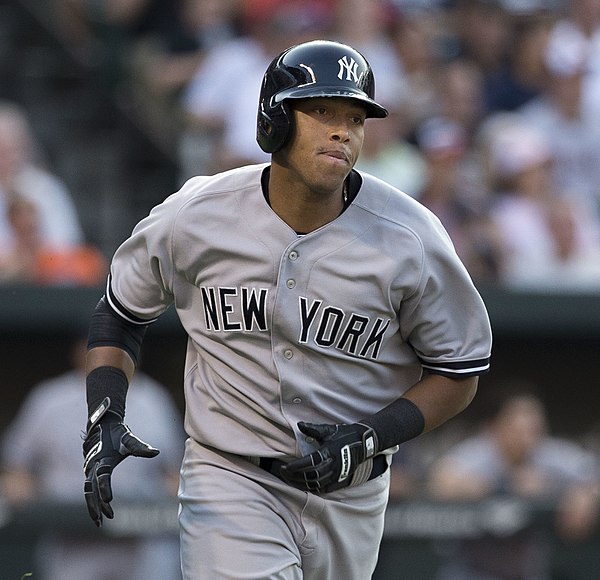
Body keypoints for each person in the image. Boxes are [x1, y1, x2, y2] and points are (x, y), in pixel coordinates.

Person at [81, 39, 492, 580]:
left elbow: (458, 371)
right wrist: (105, 411)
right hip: (231, 476)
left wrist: (375, 433)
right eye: (321, 111)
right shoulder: (197, 214)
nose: (342, 130)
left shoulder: (411, 239)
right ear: (275, 119)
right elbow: (121, 311)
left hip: (353, 493)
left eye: (355, 116)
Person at [1, 335, 185, 580]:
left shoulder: (153, 399)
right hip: (72, 536)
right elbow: (16, 465)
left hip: (141, 541)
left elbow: (174, 471)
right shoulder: (51, 399)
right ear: (80, 351)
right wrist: (21, 484)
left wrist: (176, 493)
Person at [427, 384, 600, 580]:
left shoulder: (545, 453)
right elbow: (440, 481)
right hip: (472, 570)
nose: (527, 437)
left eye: (534, 429)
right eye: (518, 428)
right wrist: (506, 485)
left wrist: (584, 492)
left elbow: (591, 473)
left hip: (525, 572)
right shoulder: (484, 451)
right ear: (494, 427)